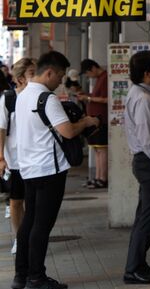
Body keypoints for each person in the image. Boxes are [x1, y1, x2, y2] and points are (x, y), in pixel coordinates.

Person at [14, 52, 99, 289]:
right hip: (49, 170)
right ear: (49, 72)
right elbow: (68, 132)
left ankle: (21, 275)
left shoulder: (22, 96)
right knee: (42, 225)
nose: (60, 81)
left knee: (29, 223)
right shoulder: (46, 98)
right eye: (60, 75)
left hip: (29, 168)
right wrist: (87, 122)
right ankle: (36, 277)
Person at [122, 50, 150, 284]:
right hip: (149, 162)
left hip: (146, 161)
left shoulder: (140, 94)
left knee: (145, 216)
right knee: (147, 218)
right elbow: (148, 140)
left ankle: (136, 265)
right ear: (148, 73)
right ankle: (134, 268)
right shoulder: (143, 99)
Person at [0, 58, 35, 256]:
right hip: (14, 160)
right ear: (20, 78)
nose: (35, 76)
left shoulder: (40, 96)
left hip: (36, 159)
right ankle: (19, 238)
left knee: (33, 202)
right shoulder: (9, 98)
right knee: (16, 201)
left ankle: (30, 238)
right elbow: (1, 129)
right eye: (32, 73)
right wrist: (1, 158)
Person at [78, 59, 108, 189]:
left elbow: (107, 99)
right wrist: (87, 96)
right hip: (95, 120)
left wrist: (88, 98)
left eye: (88, 73)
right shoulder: (100, 79)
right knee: (97, 149)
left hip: (101, 120)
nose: (88, 77)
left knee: (102, 149)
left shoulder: (105, 78)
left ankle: (103, 178)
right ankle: (97, 177)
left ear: (93, 69)